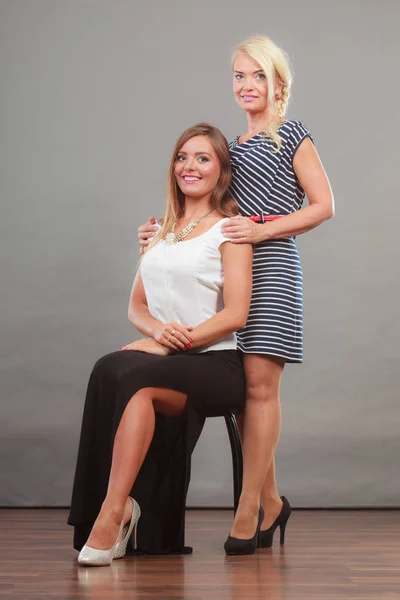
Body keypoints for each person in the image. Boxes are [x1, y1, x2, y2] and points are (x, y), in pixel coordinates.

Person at [138, 35, 334, 554]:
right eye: (239, 76)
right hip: (228, 274)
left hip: (272, 270)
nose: (247, 86)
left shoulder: (290, 135)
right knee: (241, 395)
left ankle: (248, 506)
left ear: (278, 84)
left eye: (258, 76)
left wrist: (262, 230)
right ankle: (270, 500)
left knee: (260, 390)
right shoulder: (230, 146)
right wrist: (164, 234)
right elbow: (203, 201)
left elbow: (323, 206)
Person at [67, 123, 252, 565]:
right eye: (183, 157)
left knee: (132, 373)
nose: (190, 166)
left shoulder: (230, 230)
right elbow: (137, 307)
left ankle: (114, 514)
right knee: (111, 367)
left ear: (221, 170)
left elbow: (236, 315)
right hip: (171, 360)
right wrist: (156, 334)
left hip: (217, 363)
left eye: (203, 158)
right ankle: (121, 507)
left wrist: (175, 343)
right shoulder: (161, 231)